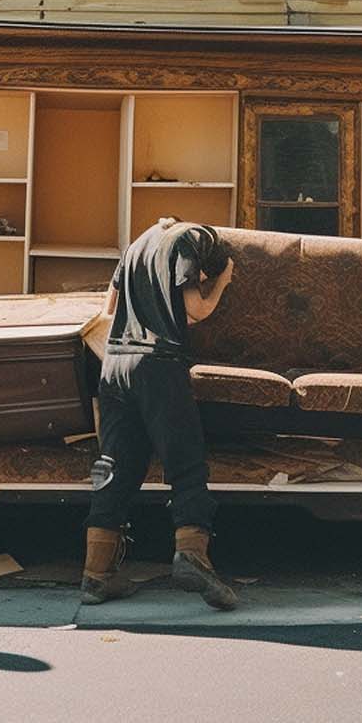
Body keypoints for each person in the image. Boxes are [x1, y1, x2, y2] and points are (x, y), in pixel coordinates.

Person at [81, 218, 240, 610]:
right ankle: (191, 556)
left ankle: (96, 574)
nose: (202, 277)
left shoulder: (137, 244)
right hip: (159, 365)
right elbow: (195, 309)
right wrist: (222, 281)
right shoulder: (192, 241)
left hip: (115, 364)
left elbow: (109, 309)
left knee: (114, 468)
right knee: (185, 464)